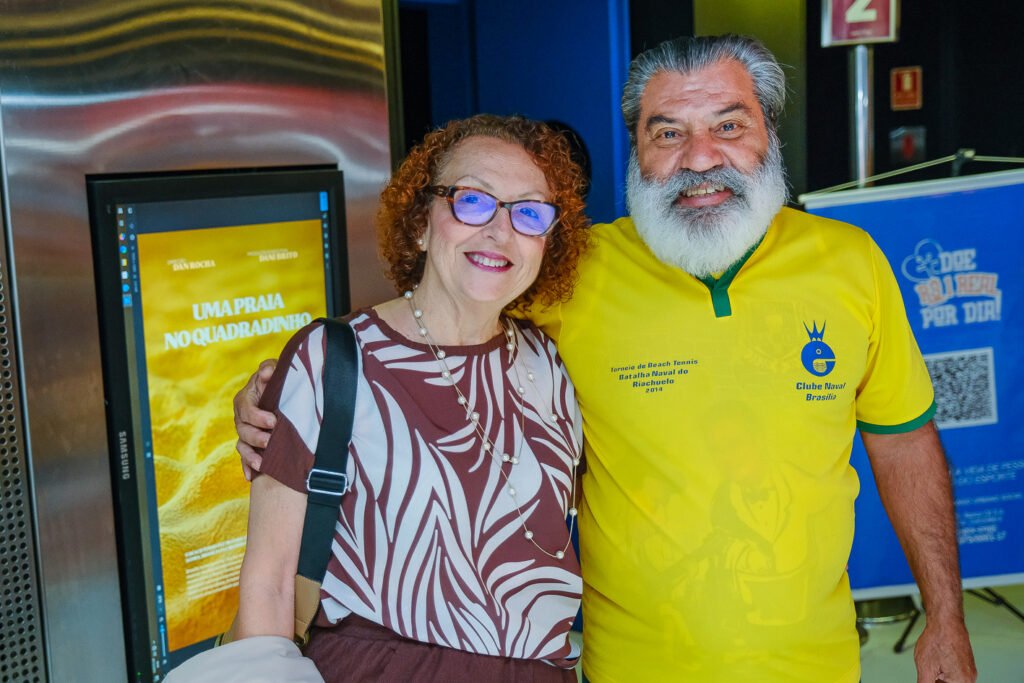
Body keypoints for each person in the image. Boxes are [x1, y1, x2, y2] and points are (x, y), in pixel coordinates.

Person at [235, 36, 977, 683]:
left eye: (728, 125)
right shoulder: (573, 275)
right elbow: (441, 311)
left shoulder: (851, 264)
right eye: (667, 132)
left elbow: (903, 439)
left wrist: (946, 616)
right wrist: (292, 383)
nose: (700, 158)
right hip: (624, 668)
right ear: (636, 151)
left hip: (815, 666)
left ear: (769, 135)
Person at [233, 114, 591, 682]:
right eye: (473, 201)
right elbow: (269, 585)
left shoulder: (549, 364)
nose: (500, 231)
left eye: (528, 212)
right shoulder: (330, 359)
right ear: (422, 222)